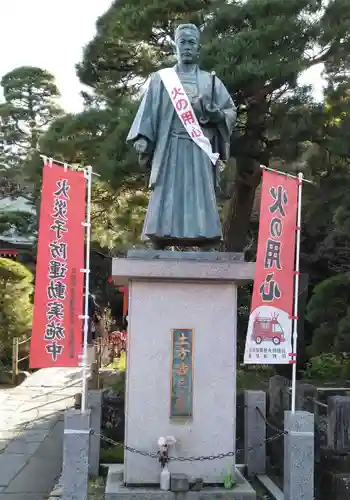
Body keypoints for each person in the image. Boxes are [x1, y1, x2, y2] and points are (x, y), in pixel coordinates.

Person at [127, 23, 236, 249]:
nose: (187, 47)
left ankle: (206, 236)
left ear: (198, 48)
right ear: (175, 46)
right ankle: (160, 235)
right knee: (167, 192)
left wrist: (216, 116)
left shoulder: (210, 81)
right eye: (182, 42)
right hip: (170, 146)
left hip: (199, 147)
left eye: (191, 43)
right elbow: (148, 112)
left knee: (200, 192)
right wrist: (143, 138)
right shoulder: (161, 79)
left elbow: (229, 111)